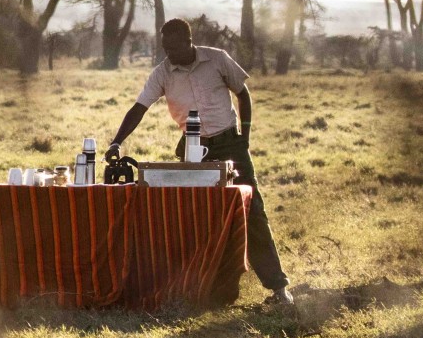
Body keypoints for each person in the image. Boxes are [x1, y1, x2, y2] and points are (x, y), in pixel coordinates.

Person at [108, 18, 293, 306]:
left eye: (174, 48)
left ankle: (278, 288)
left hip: (230, 142)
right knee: (193, 216)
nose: (169, 54)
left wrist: (245, 135)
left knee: (251, 210)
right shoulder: (162, 73)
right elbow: (139, 107)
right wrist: (116, 142)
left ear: (188, 41)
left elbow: (243, 94)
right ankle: (196, 289)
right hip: (193, 148)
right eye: (165, 49)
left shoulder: (217, 59)